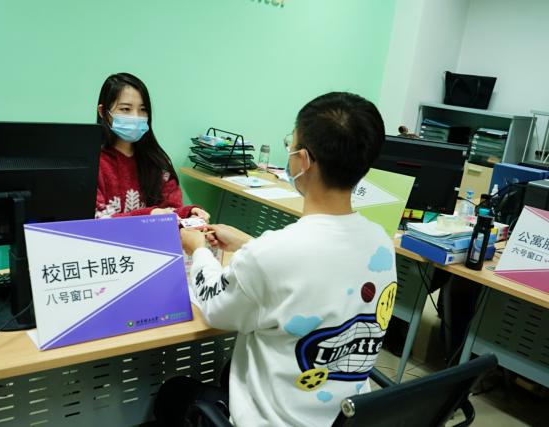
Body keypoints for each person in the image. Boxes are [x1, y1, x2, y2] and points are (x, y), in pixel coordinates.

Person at [157, 92, 398, 426]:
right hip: (342, 415)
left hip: (275, 419)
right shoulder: (381, 243)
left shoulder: (274, 253)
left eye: (291, 145)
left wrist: (197, 248)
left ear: (303, 160)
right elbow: (316, 267)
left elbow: (214, 306)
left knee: (174, 394)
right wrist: (249, 245)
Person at [95, 72, 209, 220]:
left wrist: (188, 213)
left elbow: (171, 210)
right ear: (103, 112)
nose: (136, 116)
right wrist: (149, 216)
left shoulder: (156, 162)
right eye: (125, 109)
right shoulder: (92, 163)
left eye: (143, 110)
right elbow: (96, 220)